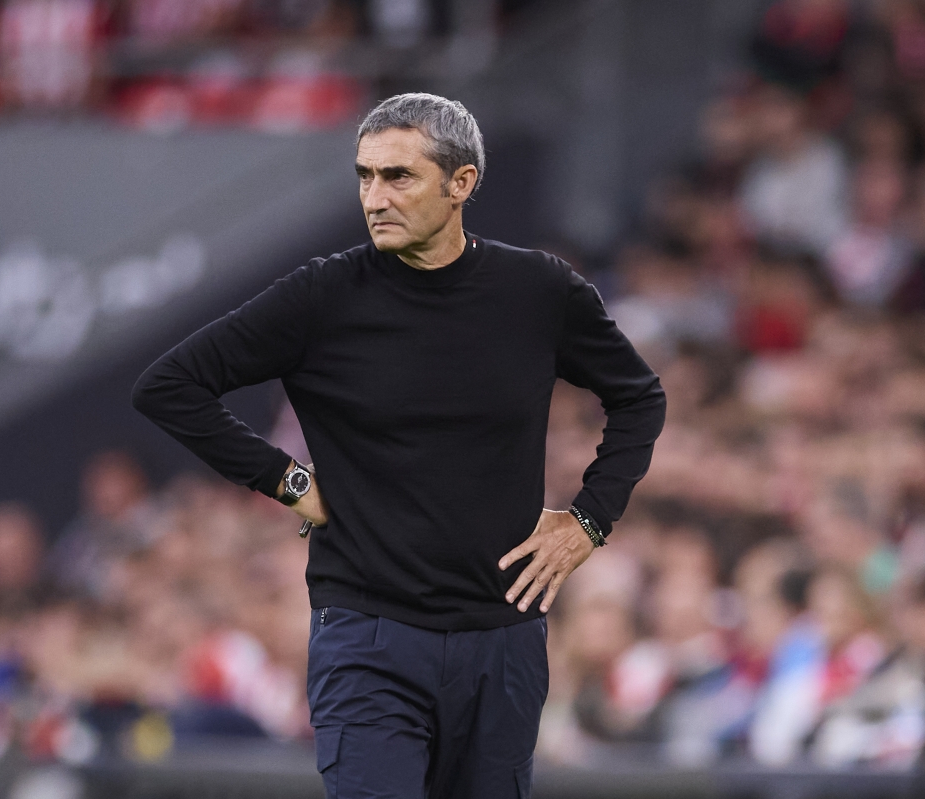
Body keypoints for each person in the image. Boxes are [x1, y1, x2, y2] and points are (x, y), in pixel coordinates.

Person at [132, 93, 666, 799]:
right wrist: (287, 481)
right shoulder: (322, 296)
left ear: (462, 183)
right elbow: (170, 385)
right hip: (367, 634)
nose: (374, 197)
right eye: (364, 176)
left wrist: (589, 518)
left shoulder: (538, 290)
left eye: (398, 177)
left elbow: (639, 396)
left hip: (502, 638)